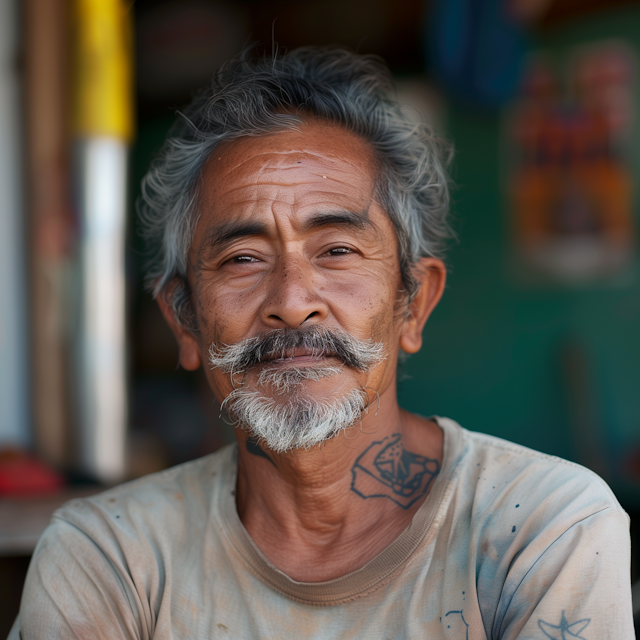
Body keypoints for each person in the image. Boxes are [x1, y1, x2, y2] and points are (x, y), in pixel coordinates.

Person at [14, 47, 633, 639]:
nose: (291, 299)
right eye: (242, 258)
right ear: (184, 321)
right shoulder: (109, 558)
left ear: (413, 303)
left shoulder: (545, 529)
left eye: (337, 250)